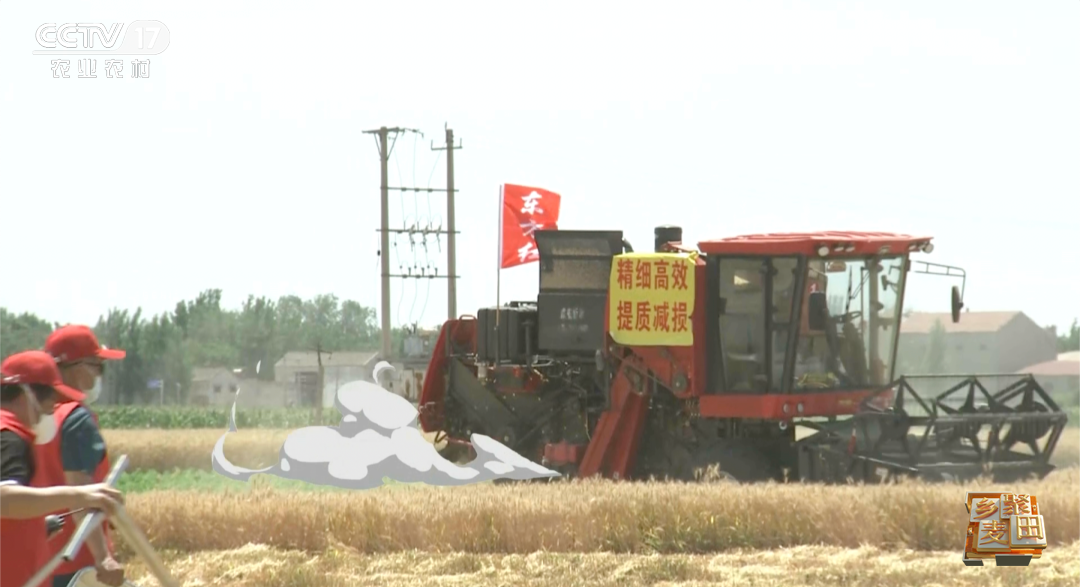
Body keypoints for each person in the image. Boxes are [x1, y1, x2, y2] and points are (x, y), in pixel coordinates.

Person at [0, 353, 124, 587]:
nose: (52, 410)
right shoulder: (8, 437)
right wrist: (80, 494)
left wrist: (35, 527)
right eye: (51, 402)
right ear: (28, 394)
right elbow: (4, 499)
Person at [40, 325, 127, 587]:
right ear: (77, 368)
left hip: (37, 560)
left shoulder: (30, 418)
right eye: (98, 366)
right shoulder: (76, 419)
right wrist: (103, 557)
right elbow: (80, 489)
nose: (100, 375)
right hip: (77, 564)